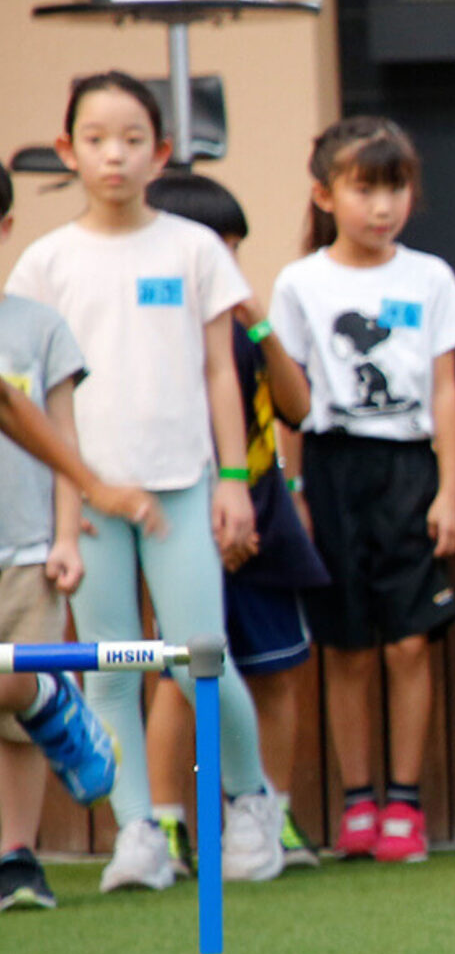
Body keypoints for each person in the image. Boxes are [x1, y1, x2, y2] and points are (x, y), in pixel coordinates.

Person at [8, 72, 277, 891]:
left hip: (182, 486)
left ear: (161, 151)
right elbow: (26, 389)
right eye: (95, 139)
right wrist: (68, 495)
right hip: (88, 497)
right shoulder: (46, 262)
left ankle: (252, 803)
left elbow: (221, 372)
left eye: (132, 139)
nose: (113, 155)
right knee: (111, 670)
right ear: (67, 151)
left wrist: (232, 477)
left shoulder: (192, 248)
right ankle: (139, 831)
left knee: (203, 657)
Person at [269, 120, 455, 863]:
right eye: (364, 188)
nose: (382, 205)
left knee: (410, 641)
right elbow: (286, 397)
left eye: (394, 187)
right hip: (329, 466)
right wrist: (291, 489)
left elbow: (447, 391)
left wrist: (449, 488)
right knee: (349, 645)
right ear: (325, 195)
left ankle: (406, 802)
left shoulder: (429, 277)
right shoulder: (300, 281)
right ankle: (359, 802)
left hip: (408, 466)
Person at [140, 169, 333, 870]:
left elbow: (299, 406)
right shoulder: (157, 337)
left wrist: (261, 323)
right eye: (214, 249)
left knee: (278, 670)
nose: (226, 266)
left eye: (234, 250)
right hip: (185, 522)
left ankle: (268, 813)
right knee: (180, 676)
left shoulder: (247, 328)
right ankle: (165, 825)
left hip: (266, 518)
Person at [0, 156, 166, 911]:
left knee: (11, 685)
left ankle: (40, 698)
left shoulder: (32, 327)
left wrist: (92, 489)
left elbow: (12, 407)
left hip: (26, 542)